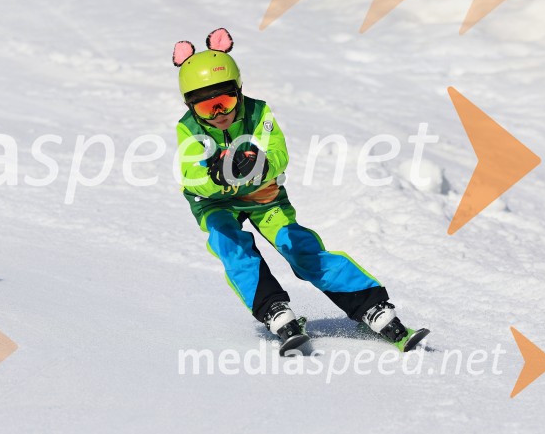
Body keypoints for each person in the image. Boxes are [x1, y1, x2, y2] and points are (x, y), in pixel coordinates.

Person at [173, 27, 428, 355]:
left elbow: (279, 153)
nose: (219, 115)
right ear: (191, 107)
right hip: (214, 203)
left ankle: (370, 305)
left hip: (262, 196)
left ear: (239, 90)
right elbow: (190, 176)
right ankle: (274, 310)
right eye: (208, 109)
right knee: (231, 246)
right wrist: (217, 176)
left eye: (225, 102)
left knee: (298, 248)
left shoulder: (258, 113)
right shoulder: (188, 129)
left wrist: (261, 164)